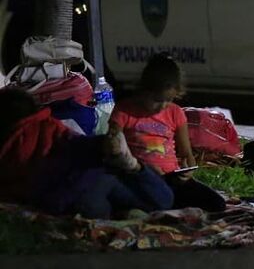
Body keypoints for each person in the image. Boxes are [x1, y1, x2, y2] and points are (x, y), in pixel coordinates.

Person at [0, 86, 172, 218]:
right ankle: (133, 167)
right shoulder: (43, 125)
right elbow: (73, 143)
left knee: (109, 203)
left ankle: (131, 174)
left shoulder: (13, 143)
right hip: (87, 182)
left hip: (68, 198)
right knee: (161, 200)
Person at [110, 53, 225, 212]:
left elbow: (187, 154)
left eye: (168, 100)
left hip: (172, 179)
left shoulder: (175, 113)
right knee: (154, 200)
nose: (162, 106)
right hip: (140, 178)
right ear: (143, 90)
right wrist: (143, 168)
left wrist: (188, 172)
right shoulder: (124, 110)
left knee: (217, 204)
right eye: (157, 100)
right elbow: (113, 146)